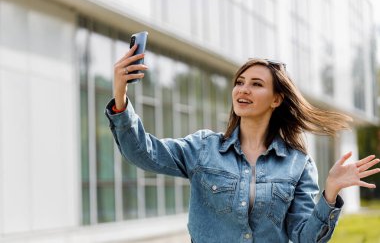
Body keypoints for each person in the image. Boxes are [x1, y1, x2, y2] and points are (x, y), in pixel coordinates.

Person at [105, 44, 380, 243]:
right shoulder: (203, 148)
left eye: (256, 84)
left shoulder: (298, 164)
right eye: (240, 82)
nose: (243, 89)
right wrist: (120, 98)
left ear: (276, 99)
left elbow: (306, 238)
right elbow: (144, 153)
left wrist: (330, 193)